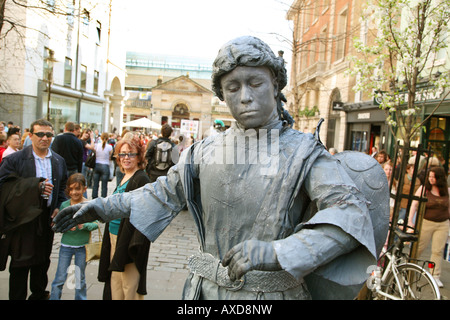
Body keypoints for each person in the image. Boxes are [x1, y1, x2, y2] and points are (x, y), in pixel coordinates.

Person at [53, 36, 389, 300]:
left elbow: (350, 215)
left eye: (255, 83)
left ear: (275, 85)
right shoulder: (203, 151)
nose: (244, 96)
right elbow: (159, 194)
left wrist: (277, 251)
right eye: (232, 87)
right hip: (202, 291)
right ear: (222, 96)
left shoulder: (305, 153)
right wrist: (99, 206)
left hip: (272, 295)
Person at [0, 118, 68, 300]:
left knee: (42, 261)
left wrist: (58, 207)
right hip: (22, 221)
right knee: (20, 265)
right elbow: (4, 187)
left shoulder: (58, 161)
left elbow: (62, 189)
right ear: (30, 136)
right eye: (40, 134)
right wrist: (34, 187)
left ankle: (38, 295)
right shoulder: (15, 159)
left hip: (46, 219)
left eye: (48, 135)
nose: (44, 138)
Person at [98, 137, 151, 300]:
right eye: (122, 154)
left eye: (131, 154)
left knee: (129, 286)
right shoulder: (124, 176)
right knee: (116, 282)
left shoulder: (141, 178)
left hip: (128, 241)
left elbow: (144, 213)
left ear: (139, 157)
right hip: (114, 236)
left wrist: (133, 244)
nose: (126, 158)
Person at [50, 173, 98, 300]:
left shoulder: (89, 204)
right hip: (66, 246)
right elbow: (59, 225)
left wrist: (85, 225)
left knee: (79, 277)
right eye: (71, 189)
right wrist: (66, 226)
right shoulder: (65, 205)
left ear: (84, 189)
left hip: (82, 246)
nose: (74, 192)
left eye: (77, 189)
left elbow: (96, 224)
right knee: (60, 277)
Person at [408, 166, 450, 288]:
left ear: (440, 178)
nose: (431, 179)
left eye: (434, 177)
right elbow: (414, 204)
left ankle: (435, 275)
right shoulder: (424, 189)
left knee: (438, 250)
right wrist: (410, 221)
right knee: (419, 247)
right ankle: (410, 269)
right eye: (429, 176)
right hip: (426, 222)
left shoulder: (446, 191)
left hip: (442, 223)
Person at [92, 132, 113, 198]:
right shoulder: (109, 147)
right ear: (108, 138)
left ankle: (94, 198)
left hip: (97, 165)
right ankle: (103, 199)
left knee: (95, 184)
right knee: (104, 185)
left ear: (101, 138)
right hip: (105, 165)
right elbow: (110, 157)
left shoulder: (97, 145)